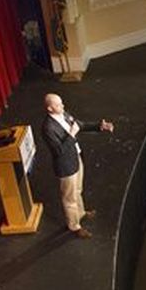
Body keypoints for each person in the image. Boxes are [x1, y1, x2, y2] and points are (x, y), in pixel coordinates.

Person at [41, 93, 114, 238]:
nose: (62, 106)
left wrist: (99, 126)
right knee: (69, 198)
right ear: (50, 108)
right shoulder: (48, 128)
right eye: (58, 104)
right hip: (66, 166)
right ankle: (74, 226)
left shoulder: (63, 114)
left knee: (78, 190)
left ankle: (80, 213)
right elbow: (59, 151)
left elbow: (79, 124)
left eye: (61, 103)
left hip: (76, 158)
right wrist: (72, 134)